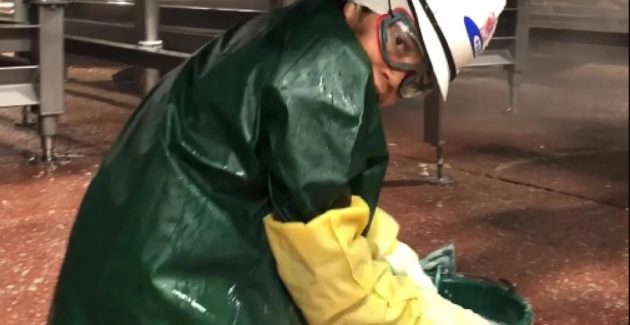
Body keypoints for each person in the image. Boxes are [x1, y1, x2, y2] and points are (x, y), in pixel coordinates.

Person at [48, 0, 505, 324]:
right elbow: (337, 291)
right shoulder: (325, 75)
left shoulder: (303, 28)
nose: (395, 78)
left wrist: (393, 255)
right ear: (364, 5)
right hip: (170, 301)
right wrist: (431, 317)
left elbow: (321, 196)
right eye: (402, 43)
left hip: (115, 285)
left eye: (418, 80)